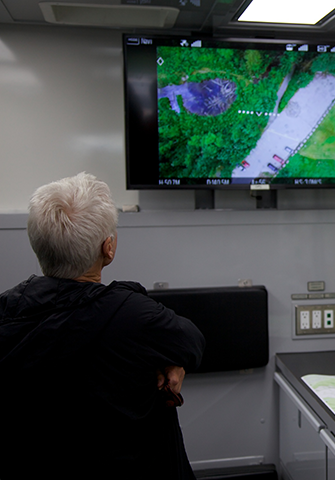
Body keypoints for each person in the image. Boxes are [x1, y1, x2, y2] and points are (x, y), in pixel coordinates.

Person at [0, 173, 206, 479]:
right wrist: (172, 359)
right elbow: (192, 341)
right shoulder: (134, 316)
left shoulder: (6, 311)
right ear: (108, 248)